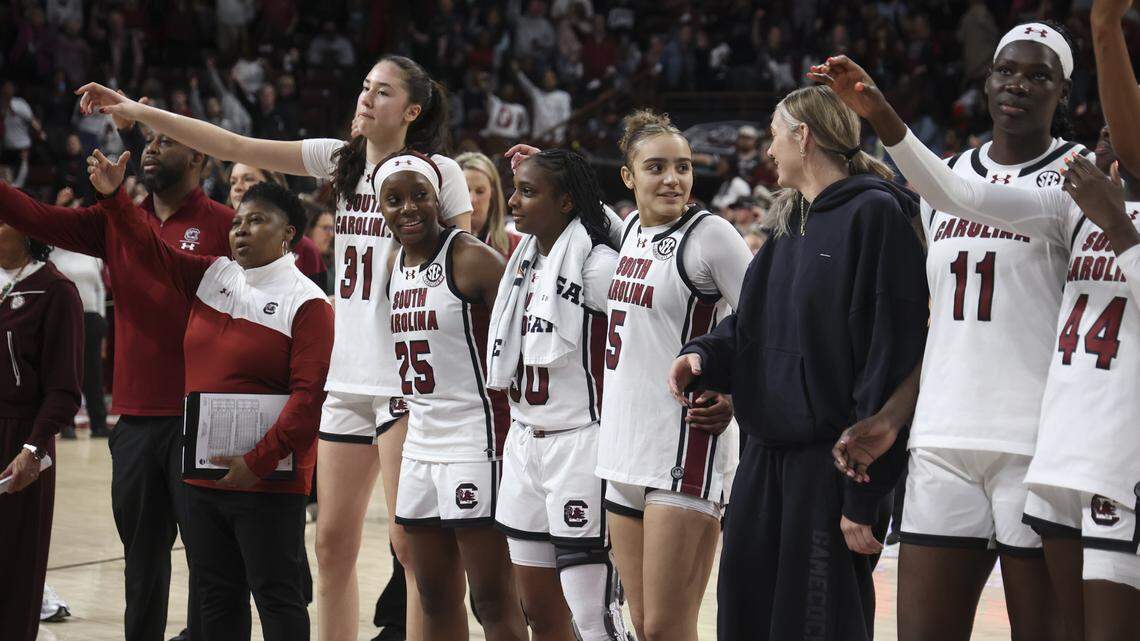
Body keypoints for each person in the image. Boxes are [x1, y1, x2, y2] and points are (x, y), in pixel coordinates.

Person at [76, 54, 474, 641]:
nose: (366, 99)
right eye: (364, 87)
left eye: (383, 92)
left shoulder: (437, 170)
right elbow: (235, 140)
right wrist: (136, 110)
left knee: (408, 548)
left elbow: (461, 269)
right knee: (331, 543)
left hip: (405, 381)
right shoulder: (340, 161)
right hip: (345, 377)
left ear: (412, 110)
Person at [817, 53, 1140, 641]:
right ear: (985, 79)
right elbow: (942, 319)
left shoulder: (1079, 178)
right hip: (943, 435)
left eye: (1039, 75)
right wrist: (894, 415)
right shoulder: (950, 176)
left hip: (1036, 443)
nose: (1017, 84)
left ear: (1065, 91)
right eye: (1005, 69)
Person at [668, 85, 928, 641]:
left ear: (803, 136)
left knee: (815, 624)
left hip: (829, 466)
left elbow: (890, 356)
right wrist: (703, 354)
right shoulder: (790, 221)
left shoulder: (875, 216)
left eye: (774, 134)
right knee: (744, 614)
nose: (768, 150)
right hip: (764, 458)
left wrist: (865, 492)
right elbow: (751, 324)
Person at [0, 127, 233, 641]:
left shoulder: (228, 225)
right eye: (146, 141)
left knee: (211, 564)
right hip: (134, 421)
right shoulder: (111, 221)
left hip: (205, 416)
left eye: (165, 141)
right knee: (142, 563)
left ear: (198, 153)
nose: (150, 149)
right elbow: (32, 217)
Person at [90, 150, 332, 641]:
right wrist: (115, 200)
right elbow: (147, 248)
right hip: (203, 479)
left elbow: (309, 402)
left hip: (268, 482)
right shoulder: (214, 274)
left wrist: (256, 462)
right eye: (238, 221)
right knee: (215, 595)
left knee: (277, 597)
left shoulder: (307, 302)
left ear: (289, 234)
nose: (240, 229)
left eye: (257, 220)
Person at [595, 110, 748, 641]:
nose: (673, 179)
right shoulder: (629, 229)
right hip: (622, 447)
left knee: (667, 628)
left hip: (686, 445)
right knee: (640, 625)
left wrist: (734, 391)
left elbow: (767, 323)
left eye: (682, 167)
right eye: (656, 167)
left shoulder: (712, 235)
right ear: (628, 177)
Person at [379, 153, 526, 641]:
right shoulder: (393, 263)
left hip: (477, 444)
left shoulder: (471, 258)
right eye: (394, 199)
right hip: (420, 446)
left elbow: (528, 342)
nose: (408, 209)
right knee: (433, 597)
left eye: (419, 195)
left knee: (493, 600)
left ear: (439, 198)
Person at [486, 149, 630, 641]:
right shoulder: (523, 262)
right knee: (541, 613)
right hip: (525, 442)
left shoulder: (597, 266)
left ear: (567, 202)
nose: (514, 200)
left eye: (529, 191)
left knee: (594, 617)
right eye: (517, 188)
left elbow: (651, 338)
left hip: (581, 444)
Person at [0, 223, 82, 641]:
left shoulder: (55, 290)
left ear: (27, 229)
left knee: (15, 562)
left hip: (21, 439)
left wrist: (33, 448)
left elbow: (65, 390)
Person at [227, 162, 325, 286]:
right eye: (233, 182)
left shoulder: (306, 248)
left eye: (248, 179)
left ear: (272, 183)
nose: (237, 187)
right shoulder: (218, 230)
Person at [49, 246, 108, 437]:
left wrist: (101, 318)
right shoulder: (50, 255)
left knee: (94, 374)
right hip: (64, 317)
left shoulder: (91, 254)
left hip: (91, 319)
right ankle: (67, 425)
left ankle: (99, 424)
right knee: (67, 372)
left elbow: (99, 289)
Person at [457, 151, 522, 257]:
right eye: (464, 190)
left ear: (493, 194)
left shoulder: (517, 246)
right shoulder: (437, 245)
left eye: (480, 191)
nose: (472, 199)